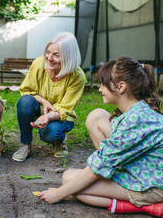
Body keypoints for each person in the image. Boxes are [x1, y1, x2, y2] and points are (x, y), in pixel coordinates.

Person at [38, 56, 163, 217]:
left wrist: (59, 193)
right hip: (147, 174)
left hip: (154, 187)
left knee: (69, 181)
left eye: (104, 84)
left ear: (121, 87)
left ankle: (146, 206)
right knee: (96, 118)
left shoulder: (136, 120)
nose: (100, 89)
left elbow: (101, 164)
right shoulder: (136, 111)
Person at [12, 32, 85, 161]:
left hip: (61, 116)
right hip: (39, 108)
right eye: (48, 52)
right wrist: (43, 101)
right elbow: (26, 90)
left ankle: (59, 141)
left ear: (69, 57)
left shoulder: (77, 76)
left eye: (56, 55)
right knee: (25, 102)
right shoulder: (39, 64)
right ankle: (25, 145)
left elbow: (64, 108)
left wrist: (48, 117)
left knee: (52, 133)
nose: (49, 58)